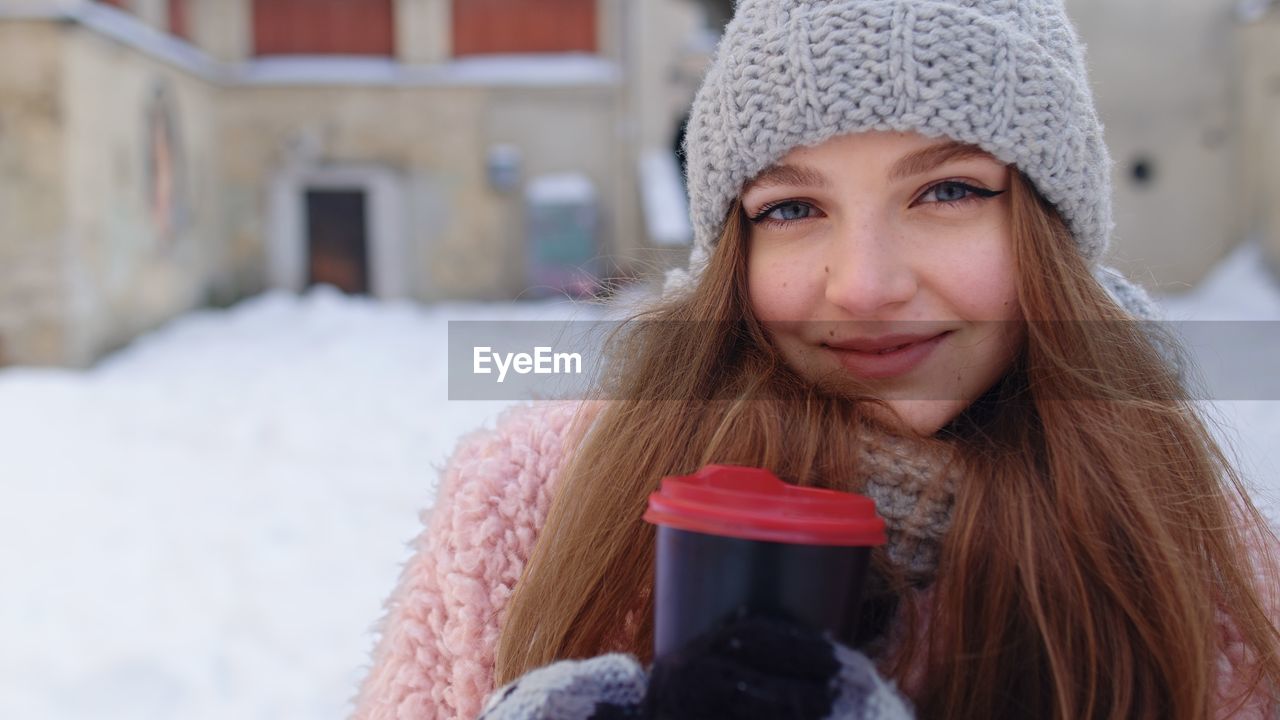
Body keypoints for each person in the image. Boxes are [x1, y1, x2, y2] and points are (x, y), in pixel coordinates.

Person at [352, 0, 1280, 717]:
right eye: (792, 208)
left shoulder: (1182, 540)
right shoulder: (531, 501)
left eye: (948, 190)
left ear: (1047, 228)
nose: (864, 287)